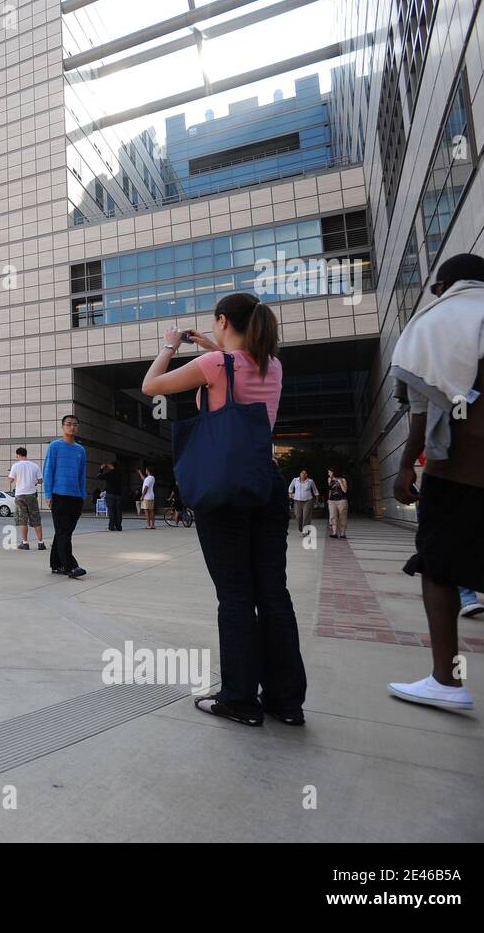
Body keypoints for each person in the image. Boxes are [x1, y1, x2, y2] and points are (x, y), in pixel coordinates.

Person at [141, 291, 306, 726]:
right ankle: (286, 702)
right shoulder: (273, 365)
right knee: (273, 593)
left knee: (234, 595)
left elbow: (151, 385)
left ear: (222, 320)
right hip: (267, 484)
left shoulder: (216, 366)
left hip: (225, 487)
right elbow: (236, 367)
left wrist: (171, 344)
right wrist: (213, 347)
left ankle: (239, 699)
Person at [390, 253, 484, 712]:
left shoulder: (435, 323)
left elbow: (422, 412)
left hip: (465, 465)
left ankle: (447, 680)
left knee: (439, 568)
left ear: (442, 287)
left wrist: (406, 467)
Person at [42, 415, 88, 578]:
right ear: (62, 427)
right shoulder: (55, 446)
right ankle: (70, 567)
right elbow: (48, 471)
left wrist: (83, 494)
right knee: (63, 533)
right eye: (68, 424)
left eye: (75, 424)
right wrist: (48, 494)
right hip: (59, 495)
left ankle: (56, 564)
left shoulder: (80, 450)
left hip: (76, 497)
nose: (72, 427)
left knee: (63, 532)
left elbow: (82, 475)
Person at [8, 447, 45, 549]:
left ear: (18, 455)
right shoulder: (35, 466)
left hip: (20, 495)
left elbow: (10, 480)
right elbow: (41, 480)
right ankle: (41, 543)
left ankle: (25, 543)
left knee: (22, 520)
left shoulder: (15, 466)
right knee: (36, 518)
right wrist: (34, 482)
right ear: (26, 454)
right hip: (32, 495)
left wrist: (12, 475)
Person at [288, 469, 318, 534]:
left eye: (305, 473)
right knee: (298, 516)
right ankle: (302, 529)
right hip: (297, 501)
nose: (303, 474)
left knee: (306, 516)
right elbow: (290, 488)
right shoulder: (295, 480)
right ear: (300, 474)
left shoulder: (310, 481)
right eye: (302, 473)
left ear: (307, 474)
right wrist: (290, 494)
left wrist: (316, 500)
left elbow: (315, 491)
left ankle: (305, 530)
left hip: (308, 501)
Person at [96, 462, 123, 532]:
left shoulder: (109, 473)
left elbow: (99, 476)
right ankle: (119, 526)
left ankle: (111, 526)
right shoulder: (120, 473)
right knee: (118, 511)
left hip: (110, 494)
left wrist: (101, 469)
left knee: (111, 511)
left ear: (112, 466)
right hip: (118, 494)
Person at [325, 468, 348, 538]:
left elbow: (345, 491)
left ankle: (342, 533)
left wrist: (340, 482)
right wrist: (328, 499)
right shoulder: (329, 479)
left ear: (333, 472)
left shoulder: (343, 479)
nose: (328, 474)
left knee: (342, 517)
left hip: (342, 500)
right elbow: (330, 490)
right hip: (332, 501)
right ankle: (334, 532)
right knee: (332, 516)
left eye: (329, 472)